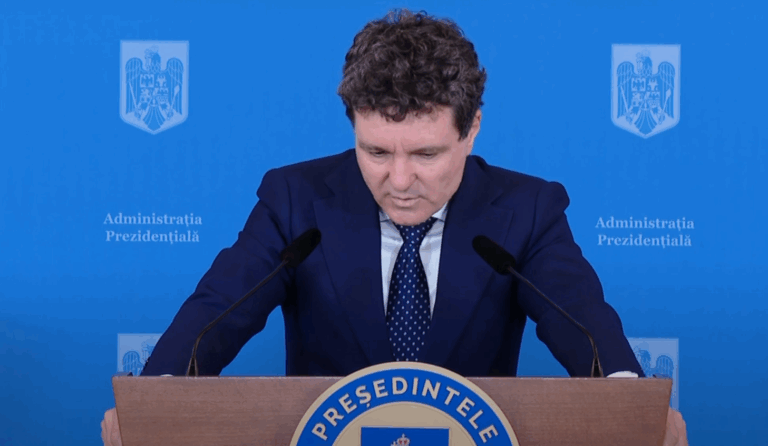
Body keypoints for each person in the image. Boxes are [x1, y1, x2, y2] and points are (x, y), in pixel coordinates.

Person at [102, 9, 687, 445]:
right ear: (352, 127)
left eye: (426, 154)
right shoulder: (295, 200)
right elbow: (217, 308)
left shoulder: (526, 209)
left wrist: (630, 403)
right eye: (376, 151)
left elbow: (582, 316)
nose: (399, 180)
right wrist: (153, 398)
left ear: (472, 130)